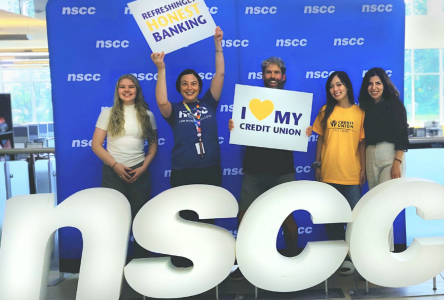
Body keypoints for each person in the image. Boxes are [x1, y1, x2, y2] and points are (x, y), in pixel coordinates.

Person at [151, 26, 224, 268]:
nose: (189, 87)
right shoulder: (174, 110)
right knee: (185, 219)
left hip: (210, 170)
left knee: (208, 218)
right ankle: (184, 263)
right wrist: (161, 68)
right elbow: (161, 100)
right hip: (183, 172)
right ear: (179, 87)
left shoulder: (209, 103)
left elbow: (220, 75)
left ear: (199, 87)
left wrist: (218, 44)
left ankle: (208, 264)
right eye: (185, 84)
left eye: (194, 83)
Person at [228, 57, 299, 280]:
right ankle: (245, 261)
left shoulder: (294, 103)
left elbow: (298, 129)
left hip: (283, 170)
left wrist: (303, 131)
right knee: (244, 216)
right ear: (263, 76)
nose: (272, 76)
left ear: (283, 76)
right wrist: (235, 125)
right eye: (268, 73)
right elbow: (243, 128)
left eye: (276, 72)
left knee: (287, 217)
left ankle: (293, 258)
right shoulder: (251, 102)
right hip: (254, 169)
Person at [92, 74, 158, 259]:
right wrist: (115, 165)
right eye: (122, 87)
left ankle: (141, 264)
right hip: (113, 172)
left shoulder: (148, 115)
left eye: (131, 86)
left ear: (137, 90)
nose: (127, 90)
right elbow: (96, 144)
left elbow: (153, 146)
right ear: (117, 90)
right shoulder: (108, 113)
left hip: (139, 172)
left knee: (140, 221)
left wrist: (143, 168)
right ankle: (111, 265)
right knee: (113, 221)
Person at [306, 71, 365, 275]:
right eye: (331, 86)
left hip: (351, 174)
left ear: (347, 87)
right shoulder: (325, 111)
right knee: (332, 219)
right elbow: (320, 140)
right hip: (329, 173)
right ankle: (341, 259)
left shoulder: (360, 113)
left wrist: (364, 168)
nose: (335, 89)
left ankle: (355, 255)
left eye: (339, 85)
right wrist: (317, 164)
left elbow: (362, 144)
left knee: (353, 220)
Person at [358, 67, 408, 189]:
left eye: (378, 83)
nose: (374, 87)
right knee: (374, 198)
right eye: (370, 84)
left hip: (390, 155)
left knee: (386, 198)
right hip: (370, 155)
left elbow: (402, 134)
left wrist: (397, 162)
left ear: (384, 85)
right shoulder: (365, 108)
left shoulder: (395, 104)